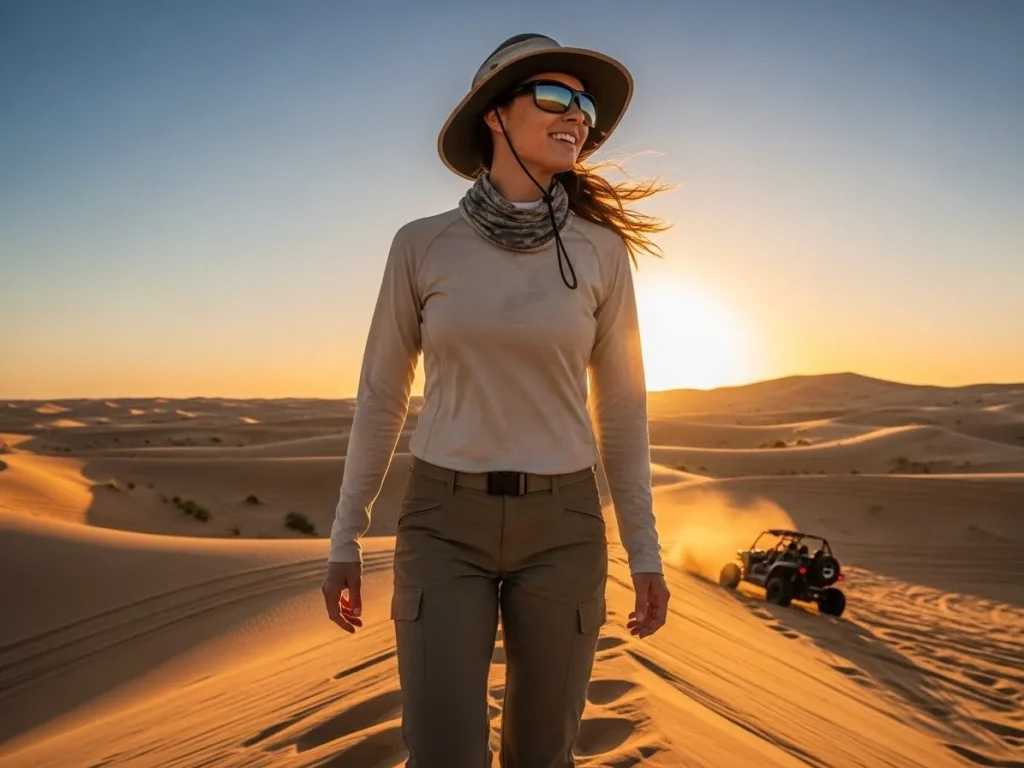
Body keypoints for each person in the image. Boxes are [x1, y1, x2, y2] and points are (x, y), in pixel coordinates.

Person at [321, 32, 672, 767]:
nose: (577, 114)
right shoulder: (421, 246)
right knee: (445, 754)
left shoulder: (602, 253)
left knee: (543, 757)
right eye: (554, 96)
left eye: (585, 105)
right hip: (444, 524)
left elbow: (624, 410)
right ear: (494, 114)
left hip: (566, 525)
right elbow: (382, 394)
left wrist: (644, 548)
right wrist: (344, 535)